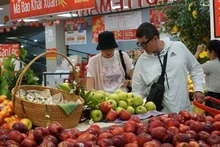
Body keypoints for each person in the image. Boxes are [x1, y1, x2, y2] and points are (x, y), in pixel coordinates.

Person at [132, 22, 205, 113]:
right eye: (139, 44)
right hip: (159, 117)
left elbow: (195, 68)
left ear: (155, 38)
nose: (142, 48)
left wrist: (198, 89)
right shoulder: (142, 61)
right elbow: (138, 90)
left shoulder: (179, 48)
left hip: (183, 112)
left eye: (144, 44)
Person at [194, 40, 220, 111]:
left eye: (207, 51)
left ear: (212, 52)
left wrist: (198, 52)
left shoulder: (211, 65)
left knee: (213, 120)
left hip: (214, 99)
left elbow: (193, 67)